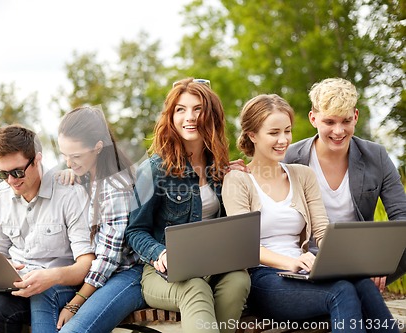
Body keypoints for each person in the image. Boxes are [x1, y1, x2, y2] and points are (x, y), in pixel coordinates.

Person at [223, 94, 398, 332]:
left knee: (361, 283)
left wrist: (337, 261)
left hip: (304, 272)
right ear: (252, 135)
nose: (283, 140)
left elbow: (322, 231)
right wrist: (292, 262)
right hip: (264, 278)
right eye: (274, 133)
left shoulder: (302, 174)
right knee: (342, 292)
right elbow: (243, 247)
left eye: (287, 131)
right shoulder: (238, 180)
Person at [0, 125, 95, 333]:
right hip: (12, 285)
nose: (11, 181)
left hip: (54, 288)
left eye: (17, 172)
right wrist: (2, 266)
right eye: (2, 173)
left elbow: (86, 263)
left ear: (37, 159)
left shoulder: (69, 195)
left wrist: (52, 276)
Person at [125, 78, 251, 333]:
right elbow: (135, 231)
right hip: (162, 273)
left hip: (213, 264)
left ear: (211, 115)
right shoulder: (153, 170)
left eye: (197, 109)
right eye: (180, 109)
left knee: (238, 280)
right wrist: (161, 253)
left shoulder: (220, 168)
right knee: (195, 288)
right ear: (171, 117)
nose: (189, 117)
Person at [284, 77, 406, 287]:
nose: (339, 131)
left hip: (360, 260)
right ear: (313, 119)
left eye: (346, 121)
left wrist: (377, 259)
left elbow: (401, 215)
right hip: (306, 260)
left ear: (355, 116)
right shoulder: (290, 156)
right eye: (329, 122)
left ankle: (360, 284)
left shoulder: (375, 155)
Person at [35, 106, 145, 333]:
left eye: (75, 156)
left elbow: (108, 261)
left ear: (98, 148)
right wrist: (73, 171)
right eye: (64, 154)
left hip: (126, 274)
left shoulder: (116, 187)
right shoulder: (85, 175)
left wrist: (75, 304)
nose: (68, 162)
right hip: (97, 272)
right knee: (43, 292)